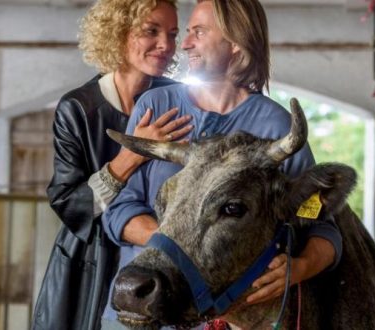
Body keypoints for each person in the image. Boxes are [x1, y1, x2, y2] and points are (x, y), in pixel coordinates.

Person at [101, 0, 344, 327]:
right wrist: (174, 250)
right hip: (137, 302)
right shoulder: (156, 106)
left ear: (235, 42)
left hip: (218, 320)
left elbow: (322, 225)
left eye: (198, 32)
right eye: (187, 33)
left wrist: (298, 268)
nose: (184, 44)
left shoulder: (276, 127)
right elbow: (118, 209)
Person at [31, 1, 192, 329]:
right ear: (117, 33)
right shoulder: (77, 108)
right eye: (151, 31)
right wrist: (130, 156)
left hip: (164, 253)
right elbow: (67, 203)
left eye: (173, 34)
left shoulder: (178, 99)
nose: (166, 44)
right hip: (94, 260)